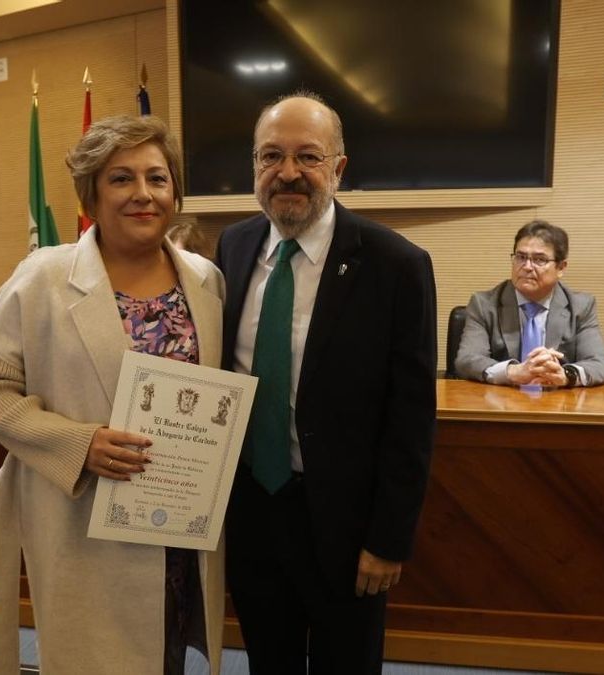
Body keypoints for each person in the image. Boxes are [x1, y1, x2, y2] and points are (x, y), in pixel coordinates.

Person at [0, 115, 225, 675]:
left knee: (168, 655)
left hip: (179, 525)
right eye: (121, 178)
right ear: (92, 195)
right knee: (95, 660)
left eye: (157, 178)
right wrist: (79, 444)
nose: (143, 194)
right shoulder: (42, 278)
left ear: (175, 192)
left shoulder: (206, 280)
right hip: (82, 525)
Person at [216, 91, 437, 674]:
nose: (288, 172)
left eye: (307, 156)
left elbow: (411, 418)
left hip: (346, 526)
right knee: (269, 662)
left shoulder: (397, 265)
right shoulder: (232, 247)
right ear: (254, 166)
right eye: (271, 156)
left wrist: (388, 540)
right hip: (252, 513)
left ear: (338, 168)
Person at [455, 220, 604, 387]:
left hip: (557, 400)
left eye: (539, 260)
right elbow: (467, 359)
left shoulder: (581, 306)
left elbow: (602, 365)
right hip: (502, 399)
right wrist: (513, 372)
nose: (527, 267)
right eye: (521, 257)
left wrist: (566, 375)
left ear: (561, 268)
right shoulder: (484, 304)